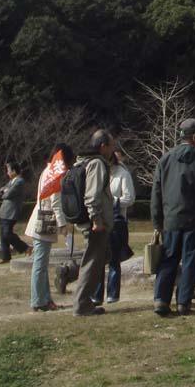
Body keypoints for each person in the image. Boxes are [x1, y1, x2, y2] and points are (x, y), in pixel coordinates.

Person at [151, 118, 195, 316]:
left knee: (168, 259)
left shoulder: (165, 159)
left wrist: (157, 221)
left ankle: (161, 300)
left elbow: (157, 193)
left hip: (170, 219)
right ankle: (183, 302)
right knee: (190, 260)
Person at [24, 143, 73, 311]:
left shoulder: (47, 171)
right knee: (40, 265)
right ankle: (38, 301)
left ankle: (44, 299)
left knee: (42, 264)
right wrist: (63, 225)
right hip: (44, 221)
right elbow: (56, 203)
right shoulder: (54, 174)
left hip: (40, 219)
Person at [72, 129, 116, 317]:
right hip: (95, 222)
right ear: (103, 146)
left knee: (98, 259)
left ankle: (82, 298)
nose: (113, 149)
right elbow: (92, 195)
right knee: (92, 262)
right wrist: (97, 219)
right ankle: (82, 304)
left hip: (85, 220)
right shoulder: (97, 163)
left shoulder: (82, 161)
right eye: (111, 145)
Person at [93, 149, 135, 306]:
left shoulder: (122, 174)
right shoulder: (99, 174)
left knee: (114, 259)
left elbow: (130, 198)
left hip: (117, 221)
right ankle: (96, 295)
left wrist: (112, 201)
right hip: (100, 220)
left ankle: (112, 294)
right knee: (98, 260)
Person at [0, 159, 31, 263]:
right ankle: (6, 257)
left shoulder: (19, 181)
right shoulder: (12, 181)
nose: (7, 172)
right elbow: (2, 189)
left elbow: (7, 194)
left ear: (14, 171)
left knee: (7, 233)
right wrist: (5, 190)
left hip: (11, 212)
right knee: (3, 235)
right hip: (5, 211)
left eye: (8, 170)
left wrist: (5, 191)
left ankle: (25, 248)